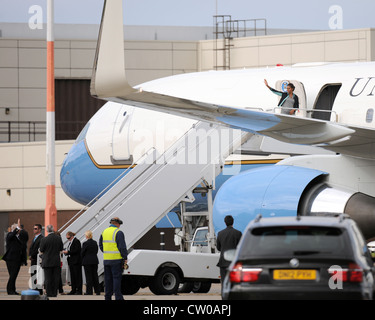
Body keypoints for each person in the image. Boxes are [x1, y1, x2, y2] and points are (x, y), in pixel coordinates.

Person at [99, 217, 128, 300]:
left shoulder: (104, 232)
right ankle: (118, 297)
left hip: (106, 260)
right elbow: (122, 247)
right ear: (117, 223)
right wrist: (125, 257)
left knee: (108, 279)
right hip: (116, 260)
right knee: (116, 279)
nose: (120, 226)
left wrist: (106, 252)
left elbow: (101, 245)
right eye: (119, 224)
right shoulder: (118, 232)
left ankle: (107, 297)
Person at [216, 215, 242, 287]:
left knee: (224, 283)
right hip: (234, 262)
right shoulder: (238, 233)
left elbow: (218, 248)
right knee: (235, 283)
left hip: (223, 262)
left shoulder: (220, 233)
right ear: (233, 222)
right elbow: (241, 248)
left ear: (225, 222)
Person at [39, 224, 63, 297]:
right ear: (53, 229)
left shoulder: (44, 239)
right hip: (56, 261)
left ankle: (49, 293)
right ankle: (54, 293)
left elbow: (42, 249)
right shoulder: (58, 238)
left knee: (48, 278)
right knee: (56, 278)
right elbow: (61, 248)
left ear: (46, 230)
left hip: (47, 261)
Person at [2, 219, 23, 295]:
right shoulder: (10, 235)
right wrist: (17, 226)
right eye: (18, 229)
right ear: (14, 229)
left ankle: (13, 290)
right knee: (12, 275)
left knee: (14, 275)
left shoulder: (18, 236)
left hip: (17, 259)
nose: (20, 230)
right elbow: (12, 235)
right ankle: (9, 290)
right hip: (11, 259)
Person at [81, 230, 100, 295]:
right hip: (94, 260)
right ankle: (97, 291)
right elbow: (96, 251)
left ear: (86, 236)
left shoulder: (85, 243)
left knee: (88, 277)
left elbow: (82, 252)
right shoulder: (95, 242)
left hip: (87, 261)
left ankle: (89, 291)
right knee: (95, 276)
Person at [29, 223, 44, 293]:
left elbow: (38, 249)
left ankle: (39, 290)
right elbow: (31, 248)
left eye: (35, 229)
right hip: (33, 259)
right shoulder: (34, 238)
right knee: (33, 274)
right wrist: (30, 255)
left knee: (38, 275)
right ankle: (34, 288)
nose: (34, 230)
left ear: (40, 229)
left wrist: (32, 255)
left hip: (37, 259)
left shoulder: (41, 238)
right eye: (33, 228)